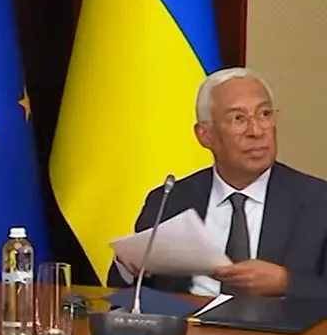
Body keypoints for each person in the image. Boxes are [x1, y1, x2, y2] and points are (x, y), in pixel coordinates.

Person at [109, 68, 327, 297]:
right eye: (238, 119)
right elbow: (124, 292)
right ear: (205, 135)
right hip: (188, 329)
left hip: (279, 331)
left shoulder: (318, 201)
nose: (257, 131)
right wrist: (128, 266)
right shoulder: (169, 199)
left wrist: (286, 283)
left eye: (264, 114)